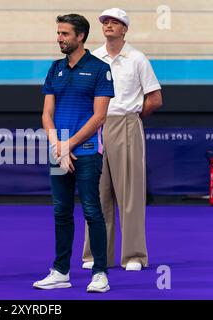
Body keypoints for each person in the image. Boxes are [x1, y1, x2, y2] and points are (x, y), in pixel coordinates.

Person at [33, 14, 114, 293]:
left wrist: (69, 146)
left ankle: (100, 273)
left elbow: (99, 117)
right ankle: (60, 272)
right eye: (58, 33)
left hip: (88, 152)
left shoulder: (100, 69)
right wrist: (58, 145)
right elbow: (46, 113)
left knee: (92, 210)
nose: (59, 38)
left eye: (65, 34)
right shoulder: (55, 68)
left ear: (80, 37)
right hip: (59, 150)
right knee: (61, 212)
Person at [82, 8, 162, 271]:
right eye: (105, 21)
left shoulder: (137, 58)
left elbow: (155, 99)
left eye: (114, 22)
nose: (108, 25)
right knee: (97, 193)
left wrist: (132, 116)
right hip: (96, 126)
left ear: (124, 29)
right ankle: (94, 254)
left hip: (126, 123)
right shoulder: (92, 58)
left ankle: (134, 255)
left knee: (130, 195)